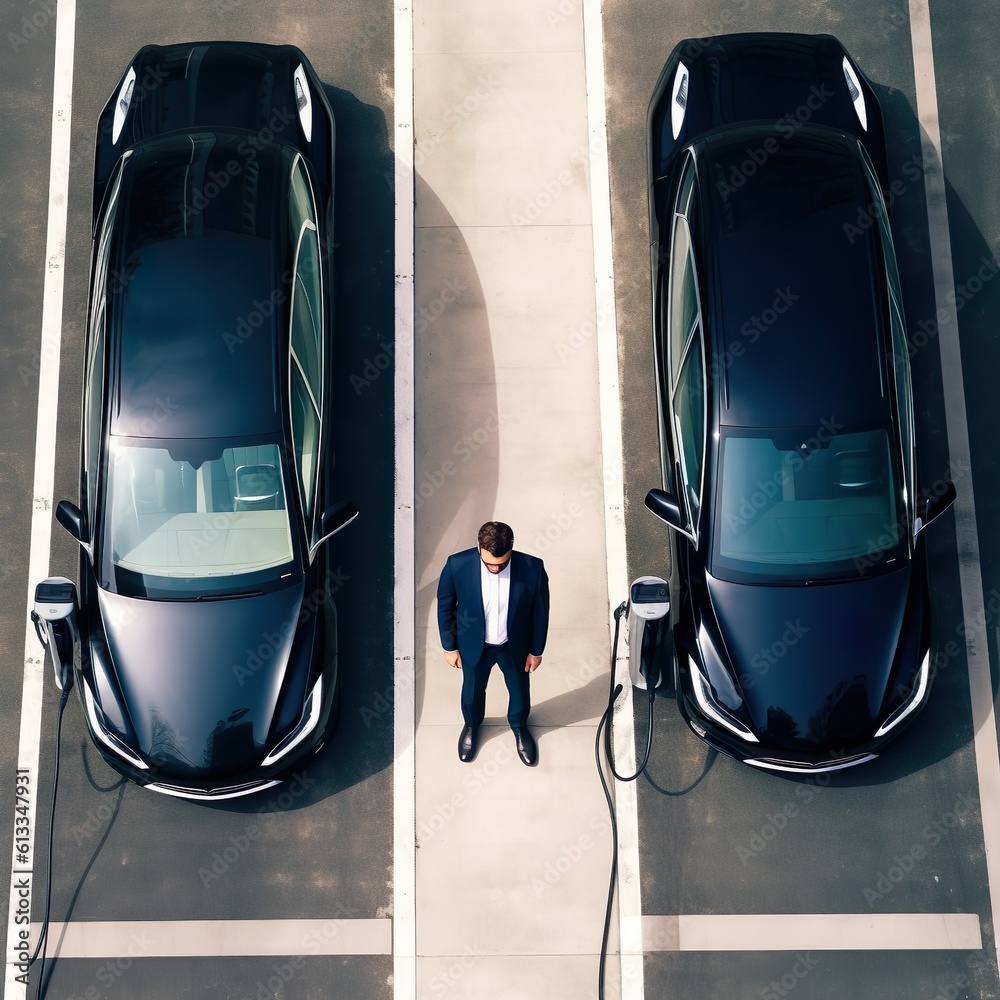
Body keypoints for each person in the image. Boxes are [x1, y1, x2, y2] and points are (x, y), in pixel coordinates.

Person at [437, 521, 549, 765]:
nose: (495, 569)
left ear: (511, 548)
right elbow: (445, 607)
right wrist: (449, 647)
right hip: (475, 646)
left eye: (502, 564)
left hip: (514, 646)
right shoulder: (457, 565)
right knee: (472, 692)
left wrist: (536, 651)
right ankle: (472, 725)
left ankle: (519, 727)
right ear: (479, 549)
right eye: (489, 564)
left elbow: (541, 612)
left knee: (520, 691)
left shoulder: (533, 568)